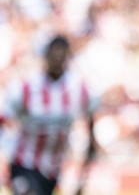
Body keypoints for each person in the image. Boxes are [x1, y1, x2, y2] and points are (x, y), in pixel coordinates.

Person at [0, 35, 99, 195]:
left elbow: (90, 117)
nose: (57, 61)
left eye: (61, 57)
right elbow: (5, 117)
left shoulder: (78, 88)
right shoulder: (26, 87)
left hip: (54, 169)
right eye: (53, 56)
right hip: (24, 163)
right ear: (46, 56)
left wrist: (88, 157)